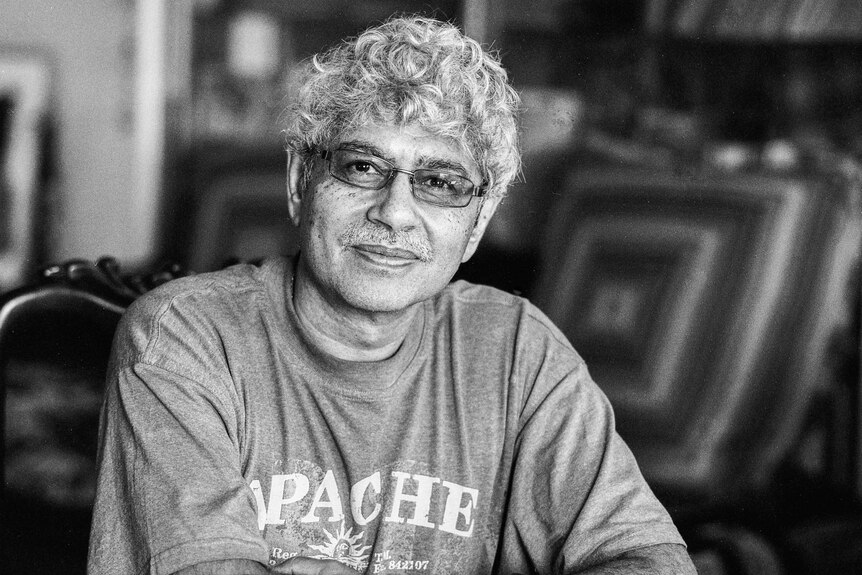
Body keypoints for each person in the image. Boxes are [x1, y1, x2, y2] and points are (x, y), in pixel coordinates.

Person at [88, 15, 695, 575]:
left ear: (477, 225)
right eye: (362, 167)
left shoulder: (516, 351)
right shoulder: (181, 337)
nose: (395, 212)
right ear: (302, 183)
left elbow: (645, 557)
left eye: (438, 182)